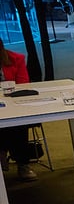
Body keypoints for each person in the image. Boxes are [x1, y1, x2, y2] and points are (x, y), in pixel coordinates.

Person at [0, 38, 37, 181]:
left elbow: (23, 85)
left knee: (18, 122)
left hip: (13, 103)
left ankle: (22, 163)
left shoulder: (16, 59)